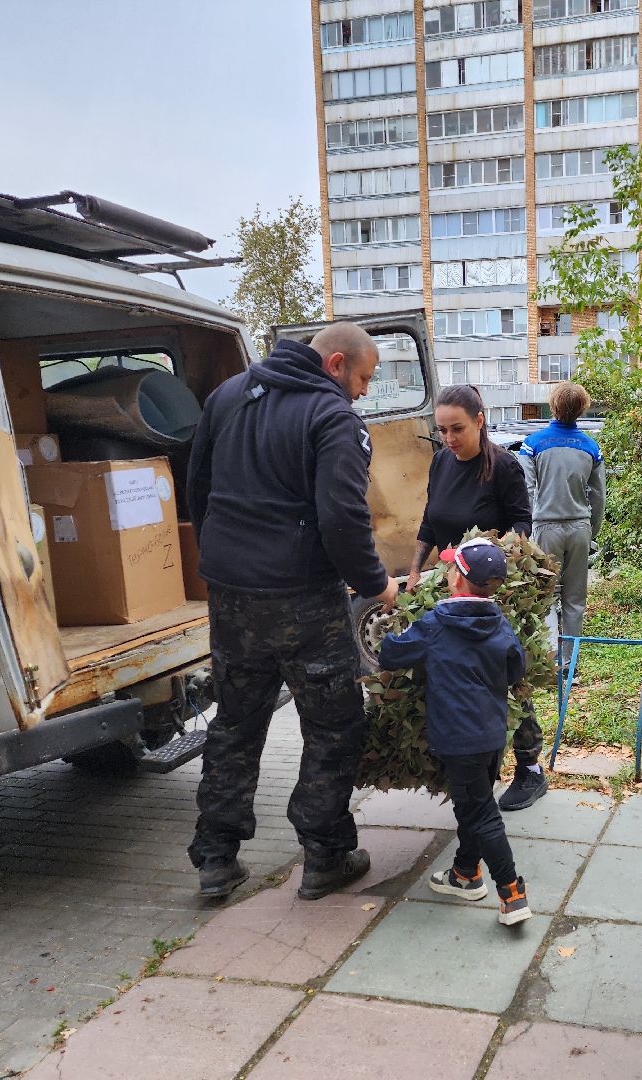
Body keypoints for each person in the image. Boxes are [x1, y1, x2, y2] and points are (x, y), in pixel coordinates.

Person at [187, 323, 400, 901]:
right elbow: (342, 518)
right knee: (334, 726)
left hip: (231, 597)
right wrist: (376, 585)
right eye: (363, 378)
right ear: (336, 364)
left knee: (235, 722)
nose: (362, 392)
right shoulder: (334, 419)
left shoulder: (227, 397)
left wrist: (224, 559)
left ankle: (215, 858)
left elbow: (198, 489)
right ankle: (326, 854)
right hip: (305, 600)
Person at [406, 385, 546, 811]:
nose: (449, 438)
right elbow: (431, 519)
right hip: (450, 587)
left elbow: (523, 522)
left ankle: (529, 768)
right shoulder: (440, 462)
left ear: (480, 421)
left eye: (457, 429)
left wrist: (494, 555)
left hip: (491, 591)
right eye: (442, 429)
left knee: (505, 677)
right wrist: (415, 569)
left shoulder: (502, 466)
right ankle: (470, 767)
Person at [380, 537, 532, 925]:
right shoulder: (500, 623)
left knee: (481, 812)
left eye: (450, 567)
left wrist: (388, 629)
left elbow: (392, 655)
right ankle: (465, 873)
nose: (446, 572)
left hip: (458, 739)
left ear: (457, 580)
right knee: (474, 802)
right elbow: (516, 668)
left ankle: (512, 893)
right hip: (493, 734)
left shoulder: (435, 624)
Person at [518, 381, 605, 680]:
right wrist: (591, 531)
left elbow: (527, 489)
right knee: (574, 599)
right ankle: (571, 666)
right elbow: (598, 496)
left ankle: (550, 662)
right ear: (582, 408)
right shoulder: (591, 447)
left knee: (545, 596)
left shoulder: (532, 444)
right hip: (580, 527)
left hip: (546, 527)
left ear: (553, 405)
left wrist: (528, 529)